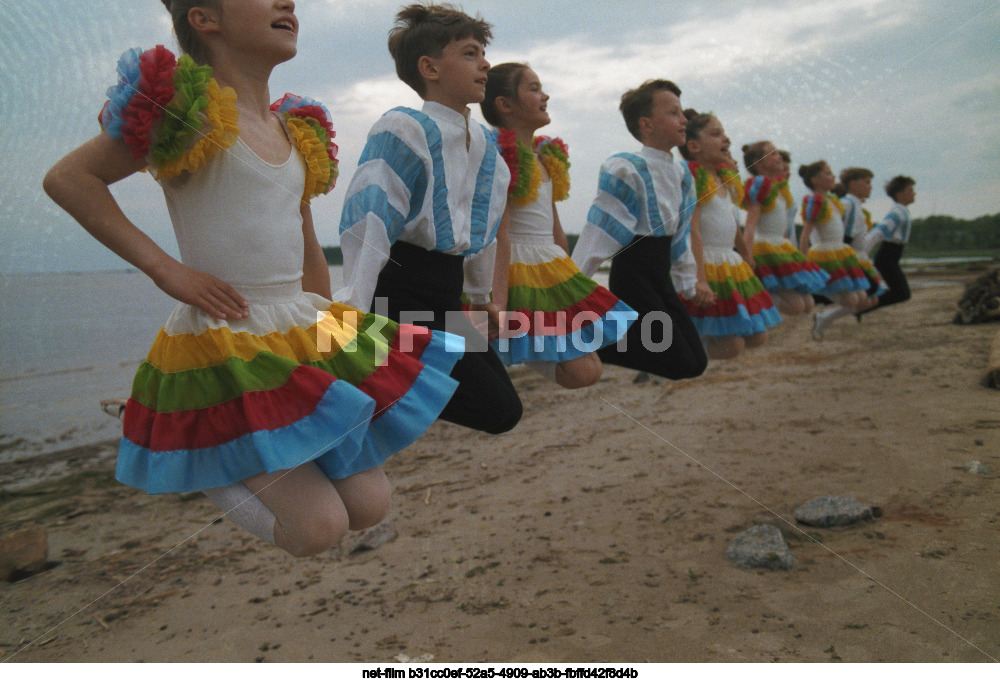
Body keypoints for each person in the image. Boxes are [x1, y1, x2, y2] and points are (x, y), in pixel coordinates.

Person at [42, 0, 463, 557]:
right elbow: (70, 178)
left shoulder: (294, 126)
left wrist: (328, 331)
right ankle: (188, 440)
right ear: (205, 19)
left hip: (297, 323)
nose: (287, 3)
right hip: (228, 334)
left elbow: (306, 239)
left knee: (369, 506)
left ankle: (194, 431)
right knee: (315, 531)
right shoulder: (184, 110)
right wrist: (169, 272)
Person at [337, 4, 521, 433]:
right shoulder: (402, 128)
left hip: (447, 294)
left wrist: (480, 298)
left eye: (483, 54)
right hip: (396, 296)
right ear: (430, 67)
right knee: (496, 409)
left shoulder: (486, 146)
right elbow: (370, 220)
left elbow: (483, 231)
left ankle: (373, 400)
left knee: (506, 409)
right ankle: (362, 396)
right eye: (470, 53)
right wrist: (354, 316)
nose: (485, 64)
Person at [478, 63, 634, 387]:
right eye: (533, 89)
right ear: (505, 105)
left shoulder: (544, 155)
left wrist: (572, 280)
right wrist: (500, 304)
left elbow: (556, 231)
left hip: (550, 265)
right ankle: (489, 346)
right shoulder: (500, 155)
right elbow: (501, 236)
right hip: (517, 267)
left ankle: (492, 350)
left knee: (591, 368)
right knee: (579, 372)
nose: (544, 95)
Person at [571, 79, 708, 380]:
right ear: (646, 124)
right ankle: (592, 344)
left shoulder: (683, 174)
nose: (684, 119)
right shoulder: (626, 168)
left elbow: (680, 236)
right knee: (682, 364)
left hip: (661, 276)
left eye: (681, 112)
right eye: (673, 113)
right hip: (633, 277)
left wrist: (689, 281)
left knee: (698, 363)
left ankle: (601, 343)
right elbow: (600, 231)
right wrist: (570, 285)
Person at [678, 111, 780, 359]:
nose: (726, 139)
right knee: (731, 345)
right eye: (716, 134)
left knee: (758, 336)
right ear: (694, 146)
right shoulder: (694, 178)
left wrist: (746, 254)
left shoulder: (725, 179)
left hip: (729, 262)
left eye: (724, 133)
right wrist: (699, 279)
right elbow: (692, 229)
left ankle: (693, 344)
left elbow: (732, 223)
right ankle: (685, 352)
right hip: (705, 263)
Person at [741, 141, 828, 316]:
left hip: (781, 246)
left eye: (778, 153)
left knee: (808, 303)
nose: (779, 156)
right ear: (759, 163)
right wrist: (746, 256)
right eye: (772, 154)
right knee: (796, 306)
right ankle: (754, 299)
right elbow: (750, 225)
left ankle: (760, 297)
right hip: (765, 248)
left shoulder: (778, 187)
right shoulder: (759, 184)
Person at [797, 161, 876, 339]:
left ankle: (823, 316)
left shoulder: (833, 201)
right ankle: (815, 290)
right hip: (824, 253)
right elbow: (805, 234)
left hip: (840, 252)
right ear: (815, 180)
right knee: (852, 300)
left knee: (861, 297)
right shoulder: (815, 201)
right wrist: (804, 262)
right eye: (828, 173)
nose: (833, 176)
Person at [855, 176, 917, 318]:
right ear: (900, 195)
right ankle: (862, 307)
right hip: (887, 257)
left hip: (890, 256)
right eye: (911, 190)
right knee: (902, 293)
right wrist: (861, 255)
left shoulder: (902, 211)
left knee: (901, 292)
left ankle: (863, 306)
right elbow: (878, 232)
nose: (914, 194)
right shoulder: (898, 213)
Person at [835, 167, 885, 302]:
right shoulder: (847, 203)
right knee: (869, 293)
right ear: (852, 184)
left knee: (871, 297)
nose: (870, 187)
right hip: (849, 257)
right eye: (867, 182)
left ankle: (823, 317)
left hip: (858, 256)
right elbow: (841, 233)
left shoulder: (856, 205)